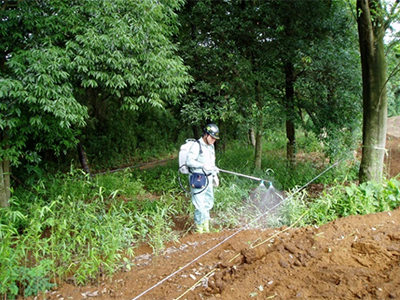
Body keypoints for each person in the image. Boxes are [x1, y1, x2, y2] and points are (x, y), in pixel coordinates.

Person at [186, 123, 220, 233]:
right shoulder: (197, 146)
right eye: (212, 137)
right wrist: (202, 165)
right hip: (198, 178)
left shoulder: (211, 147)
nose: (214, 140)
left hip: (209, 178)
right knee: (200, 205)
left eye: (215, 138)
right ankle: (199, 230)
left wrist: (214, 175)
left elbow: (212, 163)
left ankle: (206, 228)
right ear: (206, 135)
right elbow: (189, 162)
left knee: (208, 203)